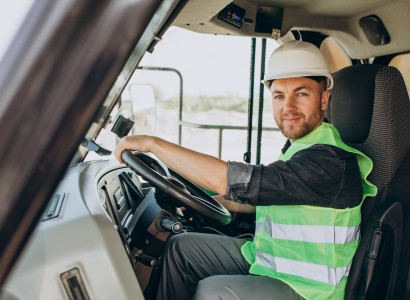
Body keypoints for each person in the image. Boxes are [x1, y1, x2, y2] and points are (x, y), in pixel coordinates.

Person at [114, 40, 377, 300]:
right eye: (279, 96)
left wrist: (151, 144)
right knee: (182, 248)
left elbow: (236, 181)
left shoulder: (330, 160)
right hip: (272, 261)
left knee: (214, 292)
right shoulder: (304, 147)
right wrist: (206, 203)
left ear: (324, 99)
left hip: (310, 290)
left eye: (302, 93)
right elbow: (270, 195)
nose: (288, 107)